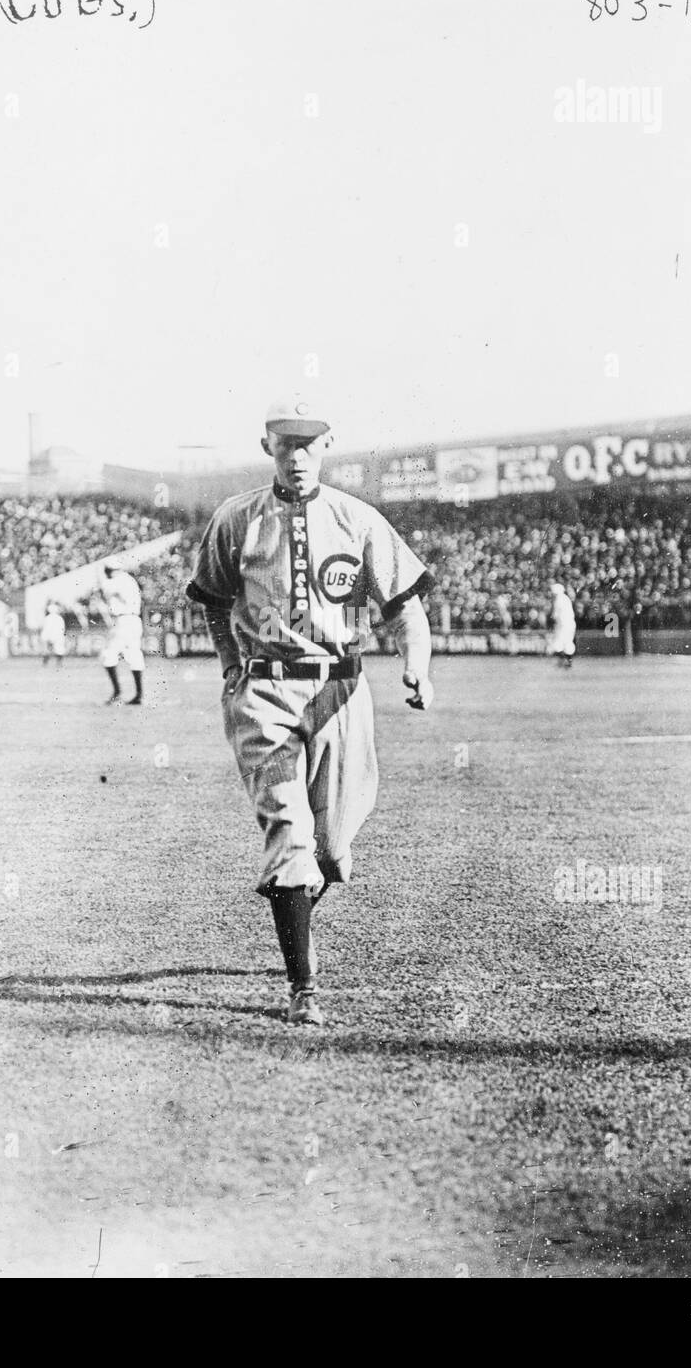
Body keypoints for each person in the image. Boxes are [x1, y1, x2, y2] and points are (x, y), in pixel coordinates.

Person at [186, 391, 434, 1026]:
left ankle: (311, 881)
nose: (296, 456)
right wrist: (231, 664)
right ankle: (304, 989)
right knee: (290, 832)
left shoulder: (358, 519)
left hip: (341, 691)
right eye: (284, 442)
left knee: (331, 846)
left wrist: (417, 664)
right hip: (265, 691)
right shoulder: (236, 519)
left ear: (328, 446)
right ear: (265, 446)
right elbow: (212, 598)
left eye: (308, 443)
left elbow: (405, 605)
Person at [97, 561, 144, 705]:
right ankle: (139, 694)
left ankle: (117, 692)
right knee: (134, 655)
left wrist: (98, 575)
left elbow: (104, 589)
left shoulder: (118, 580)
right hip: (134, 620)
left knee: (108, 655)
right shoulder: (129, 580)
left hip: (123, 621)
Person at [546, 581, 576, 668]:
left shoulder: (559, 600)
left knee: (558, 644)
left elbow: (555, 616)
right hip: (569, 624)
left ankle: (564, 662)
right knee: (567, 643)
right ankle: (567, 662)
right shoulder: (565, 598)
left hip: (563, 625)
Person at [41, 603, 67, 667]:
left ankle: (45, 663)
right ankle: (59, 663)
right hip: (58, 636)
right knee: (59, 650)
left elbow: (45, 629)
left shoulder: (47, 618)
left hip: (49, 636)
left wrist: (46, 637)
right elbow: (63, 629)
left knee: (47, 650)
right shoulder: (60, 618)